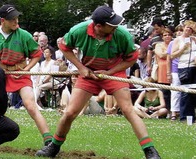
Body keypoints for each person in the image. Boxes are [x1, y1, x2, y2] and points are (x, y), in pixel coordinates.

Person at [36, 6, 161, 158]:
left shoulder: (122, 35)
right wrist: (81, 68)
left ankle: (150, 151)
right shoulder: (78, 31)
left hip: (114, 72)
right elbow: (64, 47)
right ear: (98, 26)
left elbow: (131, 58)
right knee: (70, 112)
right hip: (88, 73)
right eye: (112, 25)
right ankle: (53, 147)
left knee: (128, 109)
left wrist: (110, 72)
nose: (116, 27)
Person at [0, 4, 52, 146]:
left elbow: (37, 55)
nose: (16, 21)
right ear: (2, 21)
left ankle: (49, 140)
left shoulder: (24, 35)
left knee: (30, 105)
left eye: (17, 18)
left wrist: (27, 69)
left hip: (20, 74)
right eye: (12, 19)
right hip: (1, 74)